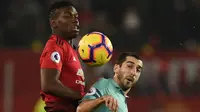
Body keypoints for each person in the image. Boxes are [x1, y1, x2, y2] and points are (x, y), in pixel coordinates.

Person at [39, 1, 85, 112]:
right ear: (54, 23)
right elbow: (49, 84)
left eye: (76, 17)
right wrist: (80, 96)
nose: (75, 20)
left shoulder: (70, 48)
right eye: (68, 16)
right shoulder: (55, 46)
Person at [77, 52, 143, 112]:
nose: (134, 73)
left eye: (138, 70)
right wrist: (102, 99)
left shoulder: (123, 100)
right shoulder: (105, 84)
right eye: (129, 66)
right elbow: (80, 109)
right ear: (116, 68)